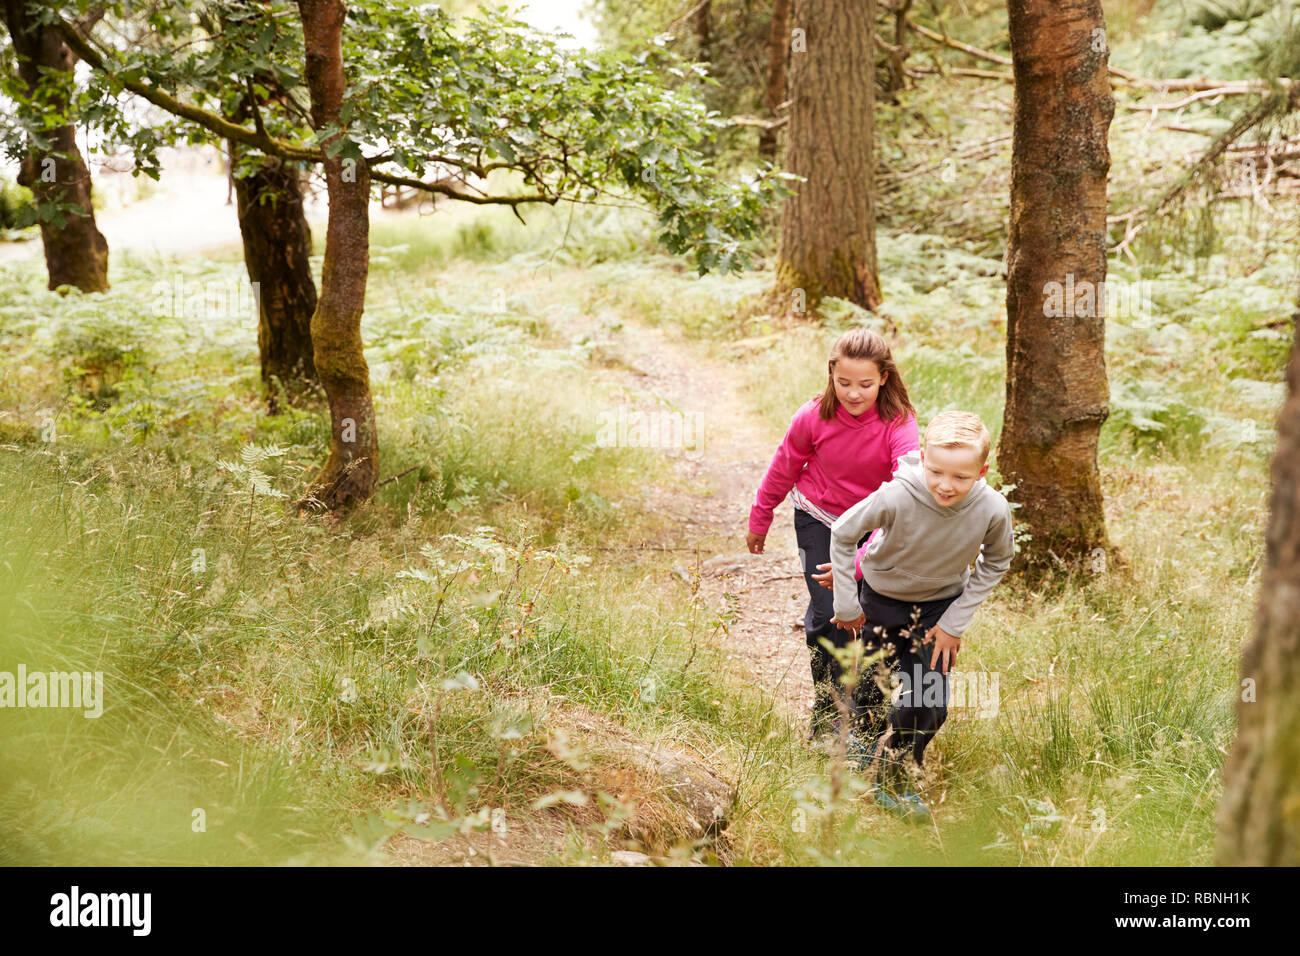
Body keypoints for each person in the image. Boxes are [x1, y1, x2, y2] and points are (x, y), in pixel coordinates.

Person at [815, 409, 1014, 820]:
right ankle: (856, 748)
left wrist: (953, 623)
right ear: (922, 457)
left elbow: (996, 562)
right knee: (871, 683)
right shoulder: (897, 494)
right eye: (937, 471)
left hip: (938, 611)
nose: (946, 485)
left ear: (983, 470)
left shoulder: (992, 509)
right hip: (880, 600)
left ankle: (895, 772)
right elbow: (844, 533)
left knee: (929, 700)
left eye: (961, 477)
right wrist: (847, 603)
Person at [746, 328, 919, 744]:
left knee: (873, 615)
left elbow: (909, 478)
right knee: (829, 614)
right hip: (819, 518)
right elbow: (784, 465)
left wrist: (866, 555)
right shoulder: (813, 416)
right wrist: (760, 515)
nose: (854, 394)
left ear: (883, 377)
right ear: (831, 375)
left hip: (873, 528)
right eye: (844, 383)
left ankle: (863, 714)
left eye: (864, 384)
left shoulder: (899, 422)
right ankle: (827, 709)